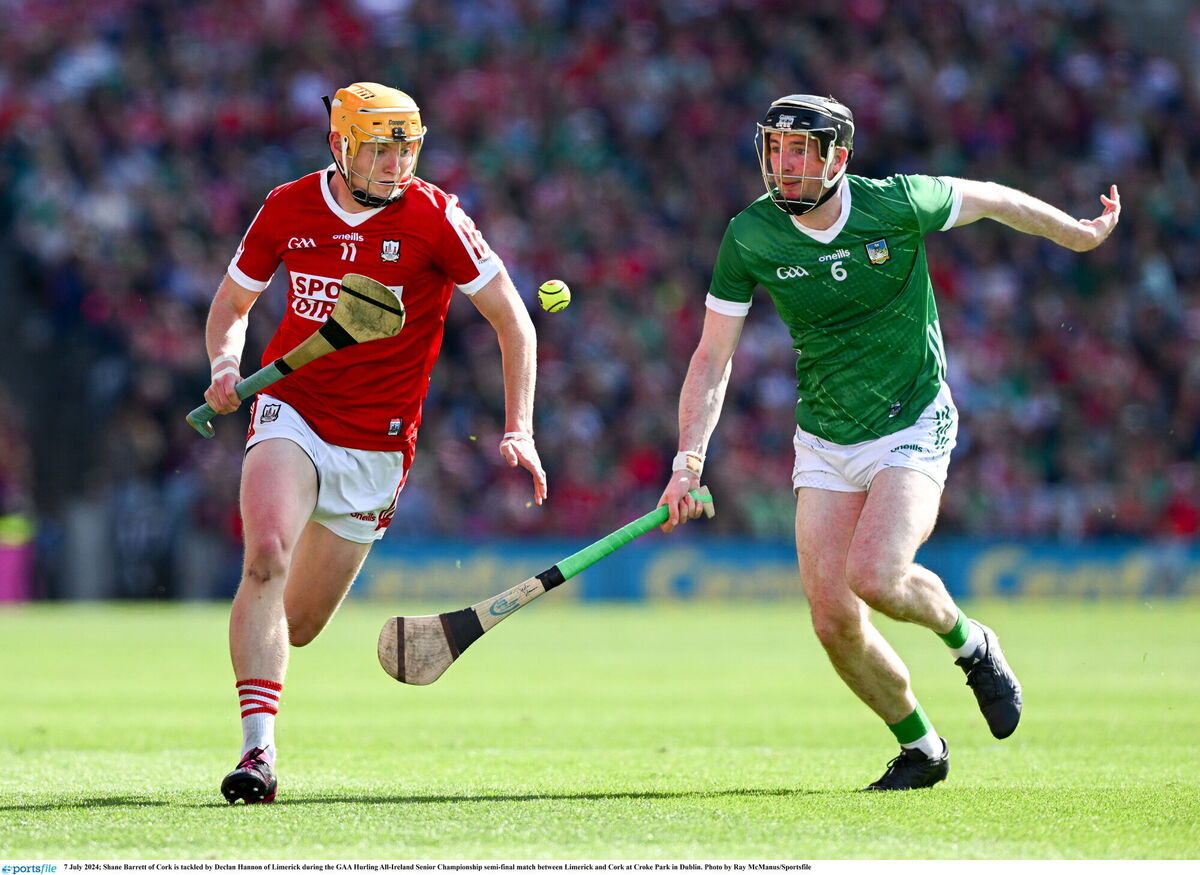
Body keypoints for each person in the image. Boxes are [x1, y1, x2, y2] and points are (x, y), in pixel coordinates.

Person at [657, 94, 1120, 790]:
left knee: (875, 573)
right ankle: (922, 747)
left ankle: (971, 642)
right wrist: (688, 459)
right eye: (774, 150)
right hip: (824, 436)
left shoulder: (897, 204)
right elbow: (710, 358)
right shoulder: (749, 236)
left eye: (798, 152)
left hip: (913, 420)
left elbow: (992, 198)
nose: (781, 166)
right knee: (833, 619)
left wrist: (1078, 236)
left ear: (836, 158)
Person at [203, 82, 547, 804]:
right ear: (341, 146)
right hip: (291, 409)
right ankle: (257, 752)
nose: (397, 164)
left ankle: (264, 677)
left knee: (297, 624)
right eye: (381, 149)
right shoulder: (288, 207)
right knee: (265, 556)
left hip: (378, 446)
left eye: (408, 148)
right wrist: (226, 366)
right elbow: (233, 304)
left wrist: (519, 426)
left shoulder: (436, 217)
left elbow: (514, 322)